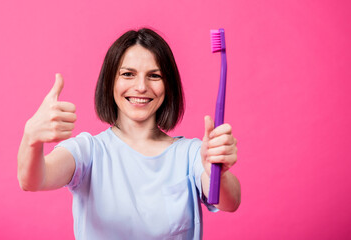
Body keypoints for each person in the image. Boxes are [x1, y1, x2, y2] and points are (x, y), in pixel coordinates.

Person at [17, 28, 240, 240]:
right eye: (128, 74)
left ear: (168, 85)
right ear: (110, 82)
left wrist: (216, 173)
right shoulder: (88, 151)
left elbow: (230, 202)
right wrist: (31, 139)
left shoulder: (191, 154)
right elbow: (34, 180)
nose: (141, 87)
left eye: (154, 75)